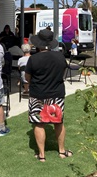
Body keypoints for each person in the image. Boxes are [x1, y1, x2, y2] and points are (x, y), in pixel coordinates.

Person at [25, 29, 72, 162]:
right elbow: (62, 73)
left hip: (38, 95)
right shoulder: (60, 57)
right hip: (57, 93)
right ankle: (62, 151)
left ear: (39, 43)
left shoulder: (33, 59)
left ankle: (42, 155)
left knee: (39, 124)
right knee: (59, 123)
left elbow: (28, 78)